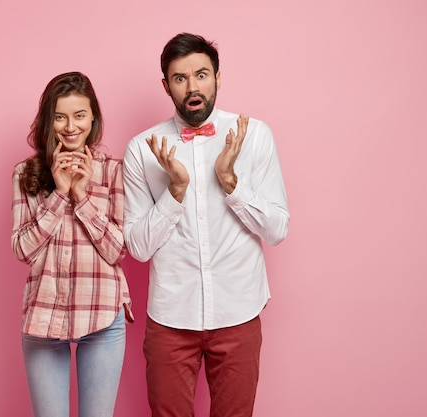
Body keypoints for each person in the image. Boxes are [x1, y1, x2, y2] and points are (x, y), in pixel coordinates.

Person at [122, 33, 290, 416]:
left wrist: (230, 182)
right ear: (166, 85)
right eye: (180, 78)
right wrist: (175, 191)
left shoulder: (255, 136)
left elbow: (278, 229)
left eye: (201, 74)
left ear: (217, 77)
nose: (192, 87)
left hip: (238, 311)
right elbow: (138, 247)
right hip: (170, 317)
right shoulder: (141, 149)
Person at [11, 71, 132, 417]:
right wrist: (60, 192)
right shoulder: (26, 173)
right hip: (43, 316)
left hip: (102, 315)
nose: (70, 126)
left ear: (93, 116)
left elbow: (116, 250)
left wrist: (81, 195)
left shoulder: (112, 171)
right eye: (61, 116)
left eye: (79, 115)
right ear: (49, 120)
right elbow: (22, 249)